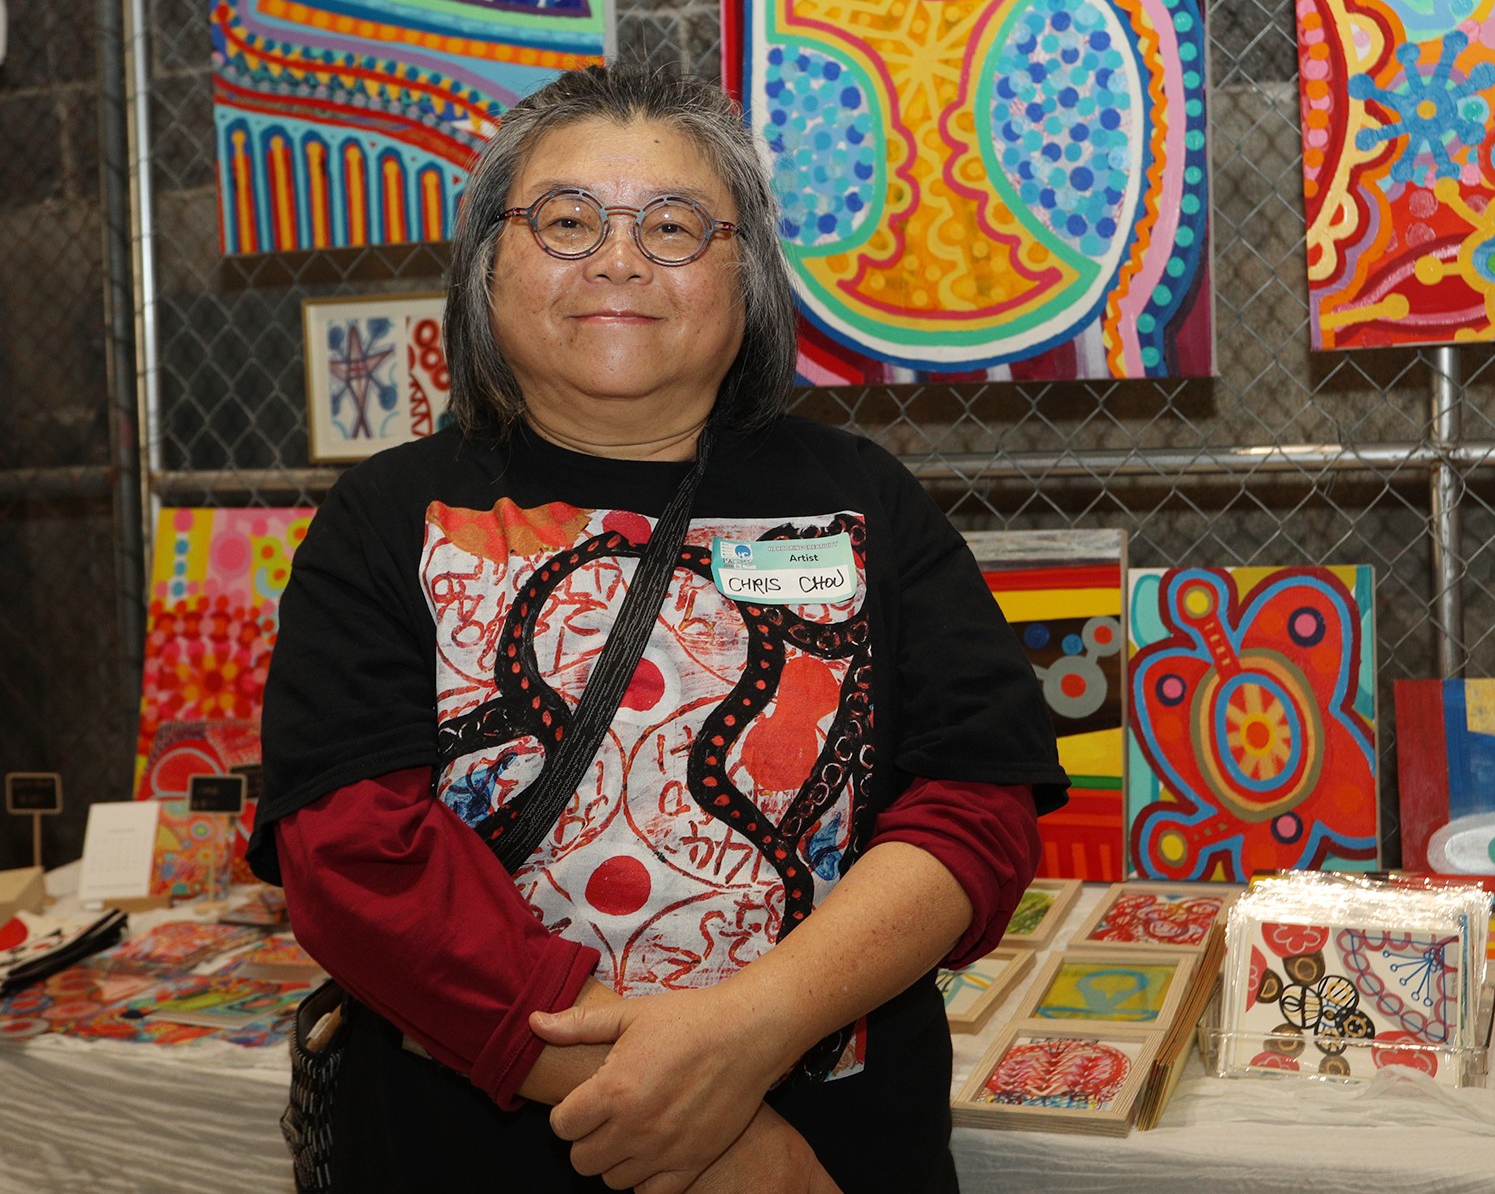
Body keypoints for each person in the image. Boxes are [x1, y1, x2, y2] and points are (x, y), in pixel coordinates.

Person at [249, 63, 1067, 1192]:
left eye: (674, 224)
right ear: (490, 264)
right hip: (480, 1150)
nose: (620, 258)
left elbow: (979, 800)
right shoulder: (385, 516)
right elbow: (349, 854)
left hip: (838, 1143)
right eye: (568, 220)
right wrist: (715, 1132)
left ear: (749, 276)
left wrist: (751, 1030)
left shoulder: (864, 495)